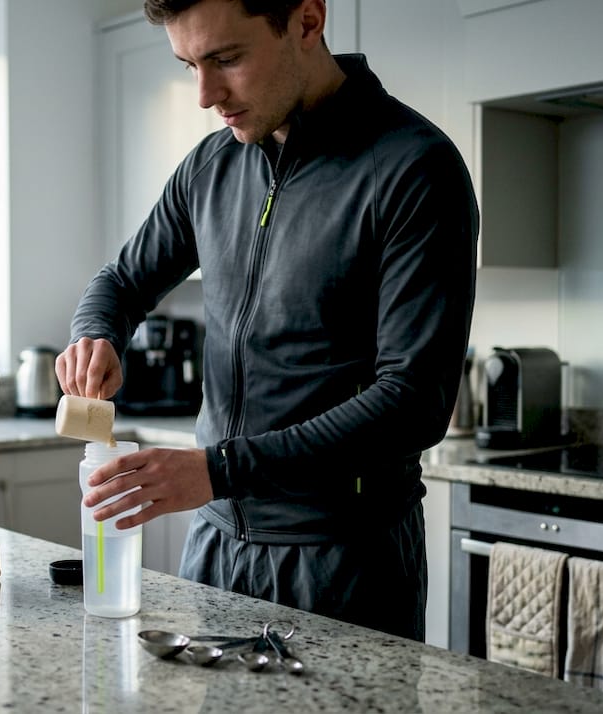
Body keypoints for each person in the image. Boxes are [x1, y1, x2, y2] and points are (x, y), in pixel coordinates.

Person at [55, 0, 478, 641]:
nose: (205, 94)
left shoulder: (414, 168)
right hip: (216, 547)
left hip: (342, 560)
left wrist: (215, 469)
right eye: (190, 64)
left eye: (227, 59)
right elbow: (119, 282)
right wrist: (95, 334)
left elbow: (411, 403)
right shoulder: (210, 166)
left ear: (307, 22)